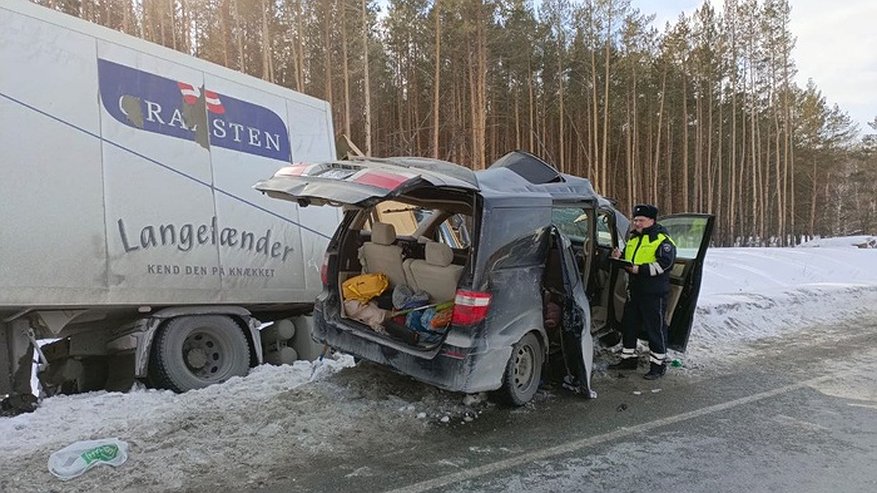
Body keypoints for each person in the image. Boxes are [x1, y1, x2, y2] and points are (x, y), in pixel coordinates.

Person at [607, 204, 677, 380]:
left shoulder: (662, 240)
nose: (637, 223)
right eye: (635, 220)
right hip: (634, 291)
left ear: (651, 221)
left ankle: (658, 365)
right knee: (629, 326)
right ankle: (628, 359)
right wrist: (618, 257)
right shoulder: (634, 239)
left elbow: (665, 264)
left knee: (656, 329)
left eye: (641, 220)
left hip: (653, 293)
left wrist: (640, 270)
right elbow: (629, 258)